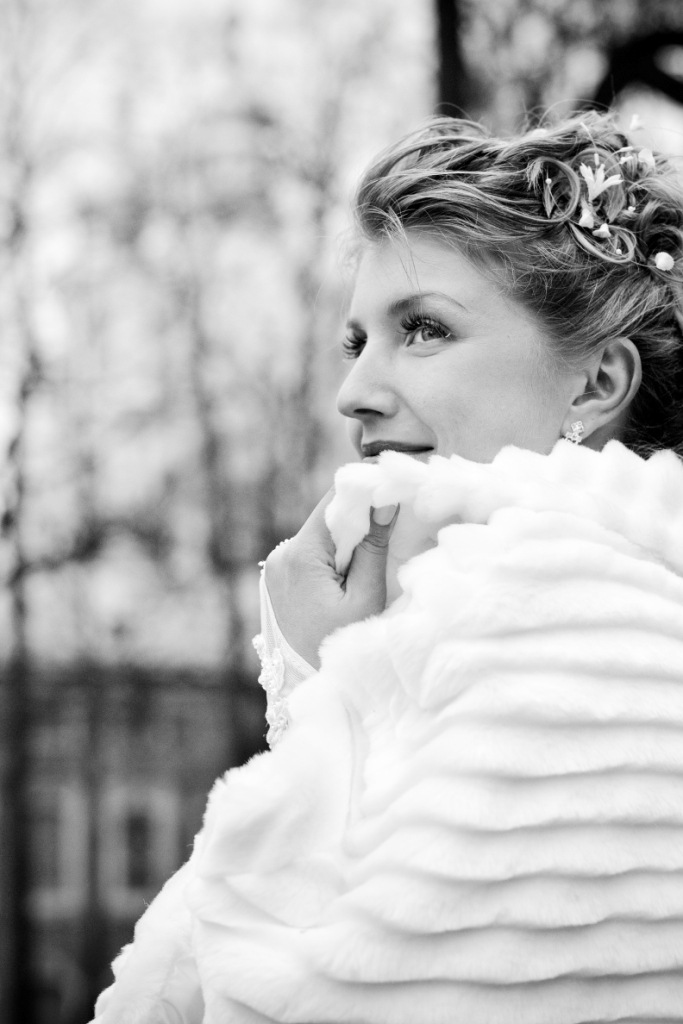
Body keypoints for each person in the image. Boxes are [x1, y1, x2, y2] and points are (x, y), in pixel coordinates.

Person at [90, 110, 683, 1023]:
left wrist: (314, 690)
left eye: (424, 329)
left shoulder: (572, 640)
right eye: (357, 341)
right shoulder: (566, 616)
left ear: (597, 383)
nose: (353, 393)